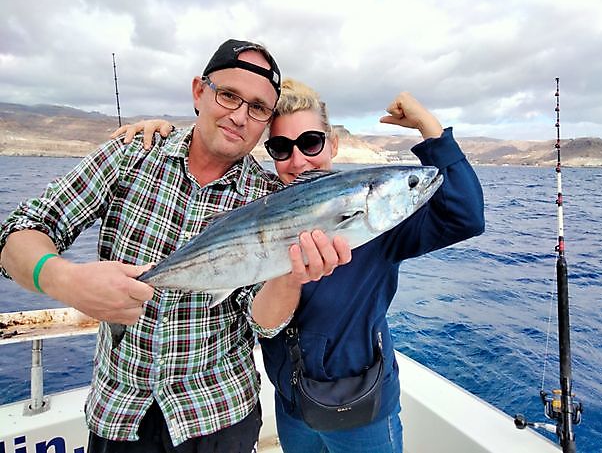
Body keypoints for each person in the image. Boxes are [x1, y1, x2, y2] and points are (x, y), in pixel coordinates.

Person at [0, 41, 351, 453]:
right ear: (198, 92)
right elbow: (20, 231)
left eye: (258, 108)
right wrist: (65, 279)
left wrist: (292, 274)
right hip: (119, 414)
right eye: (228, 95)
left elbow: (264, 323)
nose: (240, 115)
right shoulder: (130, 154)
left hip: (219, 415)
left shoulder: (270, 199)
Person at [115, 78, 485, 452]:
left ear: (333, 142)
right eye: (280, 147)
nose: (298, 160)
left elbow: (466, 216)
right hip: (292, 406)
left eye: (310, 143)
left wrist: (431, 131)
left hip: (362, 409)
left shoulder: (380, 226)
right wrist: (162, 135)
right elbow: (257, 315)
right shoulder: (261, 209)